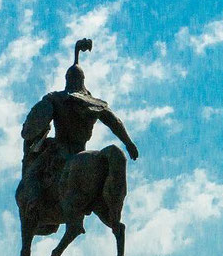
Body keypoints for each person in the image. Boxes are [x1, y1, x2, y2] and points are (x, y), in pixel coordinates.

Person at [20, 39, 139, 192]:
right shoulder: (95, 104)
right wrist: (128, 143)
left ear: (66, 80)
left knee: (31, 177)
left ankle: (32, 205)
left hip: (60, 151)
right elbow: (114, 122)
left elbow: (35, 125)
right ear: (83, 81)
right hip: (81, 149)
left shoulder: (55, 98)